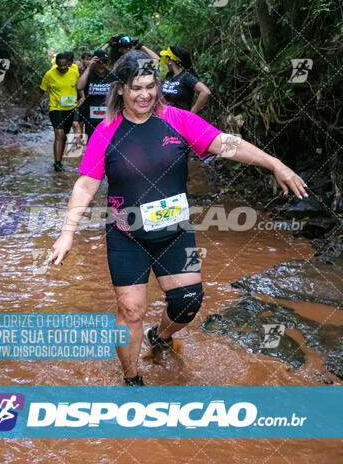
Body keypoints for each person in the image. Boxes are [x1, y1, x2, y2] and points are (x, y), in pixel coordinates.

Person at [51, 51, 308, 386]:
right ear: (120, 90)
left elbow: (226, 144)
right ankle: (132, 380)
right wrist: (67, 233)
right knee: (130, 309)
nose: (144, 94)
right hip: (126, 235)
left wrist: (274, 163)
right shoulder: (106, 132)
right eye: (135, 88)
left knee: (188, 302)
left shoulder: (178, 120)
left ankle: (159, 336)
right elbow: (86, 184)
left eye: (149, 86)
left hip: (174, 231)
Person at [24, 52, 81, 171]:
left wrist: (82, 99)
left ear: (68, 64)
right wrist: (30, 108)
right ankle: (57, 163)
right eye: (60, 65)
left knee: (64, 136)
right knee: (59, 134)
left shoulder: (74, 73)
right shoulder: (49, 75)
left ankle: (60, 159)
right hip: (56, 108)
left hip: (70, 109)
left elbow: (79, 88)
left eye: (65, 65)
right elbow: (40, 92)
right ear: (56, 64)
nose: (63, 68)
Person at [76, 49, 115, 141]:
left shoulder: (112, 75)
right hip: (91, 118)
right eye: (99, 62)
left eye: (104, 62)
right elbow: (79, 87)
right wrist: (89, 67)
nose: (101, 65)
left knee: (107, 144)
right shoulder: (88, 74)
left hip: (108, 118)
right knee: (92, 144)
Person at [160, 45, 211, 113]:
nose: (164, 62)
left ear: (170, 61)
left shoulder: (187, 76)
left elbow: (205, 92)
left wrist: (192, 112)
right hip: (165, 117)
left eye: (166, 58)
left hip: (180, 119)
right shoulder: (169, 75)